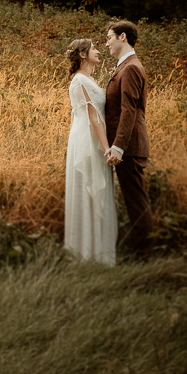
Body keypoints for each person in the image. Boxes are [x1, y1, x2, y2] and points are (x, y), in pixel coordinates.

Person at [64, 38, 118, 265]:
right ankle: (86, 253)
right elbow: (94, 117)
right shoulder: (80, 81)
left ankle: (97, 250)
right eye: (94, 48)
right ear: (83, 54)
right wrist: (107, 148)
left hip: (92, 137)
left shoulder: (89, 79)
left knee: (95, 192)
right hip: (87, 140)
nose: (99, 51)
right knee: (87, 190)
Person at [104, 20, 154, 257]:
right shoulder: (124, 65)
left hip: (130, 146)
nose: (107, 43)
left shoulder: (131, 67)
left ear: (122, 36)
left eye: (109, 38)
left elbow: (129, 110)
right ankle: (141, 250)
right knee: (134, 201)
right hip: (127, 146)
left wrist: (118, 146)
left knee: (137, 203)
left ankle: (145, 255)